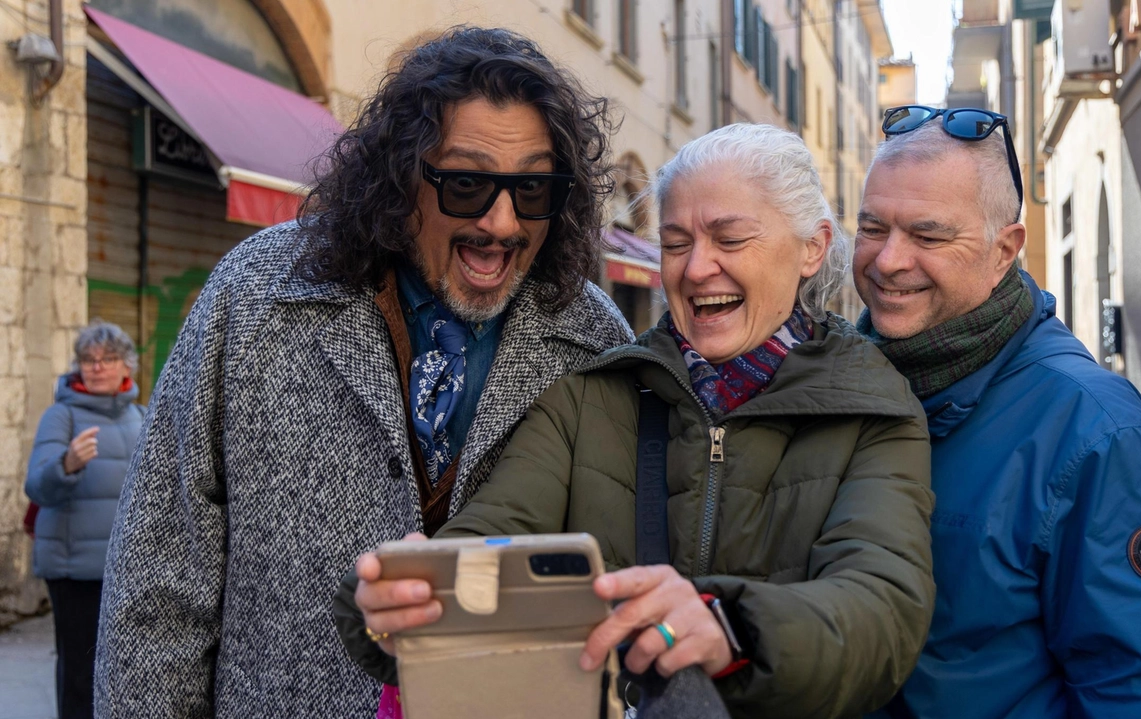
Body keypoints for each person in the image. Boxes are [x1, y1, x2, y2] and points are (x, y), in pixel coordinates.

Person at [94, 27, 634, 719]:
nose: (502, 222)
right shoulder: (254, 295)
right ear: (401, 175)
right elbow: (159, 577)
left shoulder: (594, 339)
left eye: (533, 188)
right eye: (467, 184)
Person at [338, 123, 936, 719]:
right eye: (676, 244)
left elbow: (881, 612)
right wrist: (406, 602)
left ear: (813, 247)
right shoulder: (588, 399)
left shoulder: (876, 408)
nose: (697, 269)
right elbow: (483, 545)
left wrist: (729, 625)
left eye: (729, 240)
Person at [854, 107, 1141, 717]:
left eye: (928, 236)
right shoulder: (842, 387)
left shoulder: (1095, 431)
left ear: (1004, 251)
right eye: (872, 228)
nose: (887, 261)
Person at [25, 320, 143, 719]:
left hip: (124, 572)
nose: (97, 367)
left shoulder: (141, 418)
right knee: (78, 672)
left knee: (123, 672)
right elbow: (37, 487)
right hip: (73, 570)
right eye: (88, 360)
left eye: (108, 358)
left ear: (127, 366)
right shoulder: (61, 417)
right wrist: (66, 464)